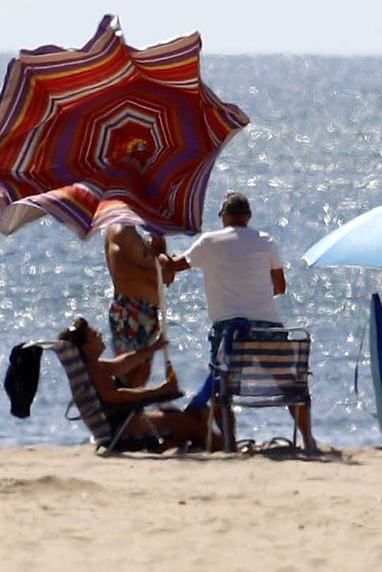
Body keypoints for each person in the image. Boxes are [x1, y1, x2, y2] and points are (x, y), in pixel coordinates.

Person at [164, 192, 317, 454]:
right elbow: (280, 287)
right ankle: (308, 440)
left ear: (223, 217)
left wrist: (162, 258)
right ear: (248, 217)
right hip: (267, 330)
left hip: (229, 335)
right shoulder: (265, 241)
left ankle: (230, 443)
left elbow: (176, 266)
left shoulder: (209, 241)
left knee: (222, 389)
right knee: (290, 386)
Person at [57, 316, 206, 451]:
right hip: (125, 428)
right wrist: (158, 391)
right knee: (192, 422)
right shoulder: (94, 370)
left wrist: (154, 347)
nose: (99, 335)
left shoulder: (94, 366)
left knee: (193, 417)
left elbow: (122, 364)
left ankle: (217, 446)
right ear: (85, 347)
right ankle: (223, 449)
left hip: (127, 422)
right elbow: (114, 397)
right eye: (93, 335)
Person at [104, 223, 173, 387]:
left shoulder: (135, 235)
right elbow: (120, 270)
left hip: (146, 312)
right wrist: (157, 273)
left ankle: (134, 410)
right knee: (131, 375)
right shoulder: (119, 231)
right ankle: (127, 410)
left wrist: (159, 250)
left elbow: (158, 267)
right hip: (131, 311)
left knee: (141, 373)